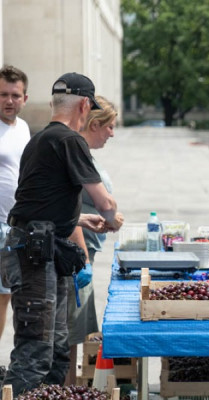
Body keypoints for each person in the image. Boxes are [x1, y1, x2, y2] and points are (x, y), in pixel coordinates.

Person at [1, 72, 119, 395]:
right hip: (34, 255)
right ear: (84, 106)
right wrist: (111, 218)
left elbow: (38, 202)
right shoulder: (70, 140)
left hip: (40, 247)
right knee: (36, 352)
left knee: (56, 351)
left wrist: (78, 220)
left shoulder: (39, 139)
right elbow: (105, 202)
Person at [64, 96, 124, 385]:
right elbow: (70, 210)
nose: (112, 133)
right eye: (110, 126)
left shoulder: (85, 155)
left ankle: (71, 385)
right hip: (76, 256)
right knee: (71, 329)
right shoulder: (77, 155)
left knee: (77, 327)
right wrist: (84, 259)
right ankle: (67, 387)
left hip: (84, 254)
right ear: (95, 124)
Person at [0, 65, 30, 347]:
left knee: (6, 296)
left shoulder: (23, 128)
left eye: (15, 95)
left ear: (25, 98)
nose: (9, 101)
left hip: (15, 226)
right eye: (3, 94)